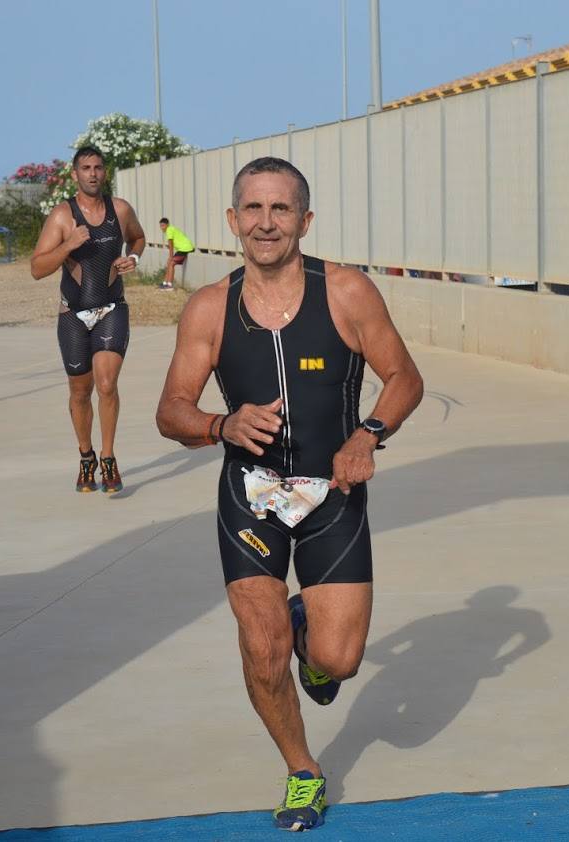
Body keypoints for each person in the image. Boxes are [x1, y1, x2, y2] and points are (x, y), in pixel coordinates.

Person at [156, 157, 423, 831]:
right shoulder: (208, 308)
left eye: (280, 210)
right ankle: (303, 769)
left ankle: (308, 629)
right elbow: (171, 411)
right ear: (231, 221)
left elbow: (404, 379)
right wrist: (221, 423)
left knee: (338, 660)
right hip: (249, 497)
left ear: (304, 220)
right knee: (261, 645)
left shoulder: (346, 293)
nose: (266, 223)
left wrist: (365, 437)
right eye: (253, 209)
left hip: (332, 491)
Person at [30, 146, 146, 494]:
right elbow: (37, 268)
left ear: (104, 172)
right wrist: (68, 246)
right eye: (86, 168)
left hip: (112, 309)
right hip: (73, 316)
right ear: (75, 173)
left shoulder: (120, 210)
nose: (92, 173)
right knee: (80, 392)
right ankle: (86, 456)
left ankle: (109, 458)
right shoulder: (63, 216)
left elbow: (138, 238)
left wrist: (134, 258)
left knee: (107, 385)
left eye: (98, 167)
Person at [158, 217, 194, 290]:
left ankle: (170, 285)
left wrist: (170, 256)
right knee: (169, 262)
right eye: (161, 226)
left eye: (163, 225)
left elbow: (171, 245)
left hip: (185, 248)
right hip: (182, 248)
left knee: (171, 263)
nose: (162, 228)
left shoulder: (169, 230)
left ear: (167, 225)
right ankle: (165, 282)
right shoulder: (170, 229)